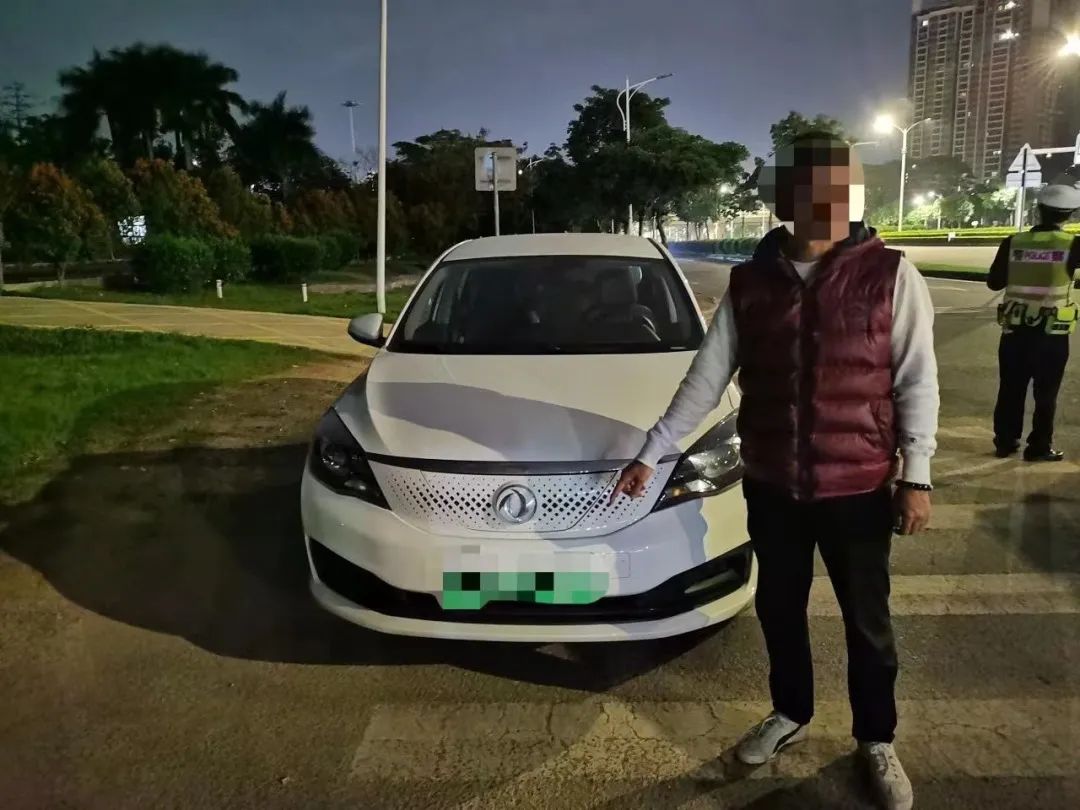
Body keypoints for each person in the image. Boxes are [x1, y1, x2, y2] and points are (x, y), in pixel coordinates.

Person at [611, 133, 939, 810]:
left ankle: (876, 738)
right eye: (809, 186)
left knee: (867, 622)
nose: (825, 201)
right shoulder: (750, 283)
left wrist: (917, 475)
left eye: (837, 186)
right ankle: (789, 713)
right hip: (773, 486)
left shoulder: (891, 275)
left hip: (857, 487)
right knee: (780, 611)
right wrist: (652, 452)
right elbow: (706, 380)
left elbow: (916, 379)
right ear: (785, 196)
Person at [988, 176, 1080, 461]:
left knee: (1010, 388)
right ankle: (1038, 446)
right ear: (1069, 214)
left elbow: (994, 282)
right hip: (1051, 334)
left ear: (1038, 209)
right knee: (1046, 393)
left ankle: (1005, 441)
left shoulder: (1014, 242)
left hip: (1015, 331)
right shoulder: (1072, 245)